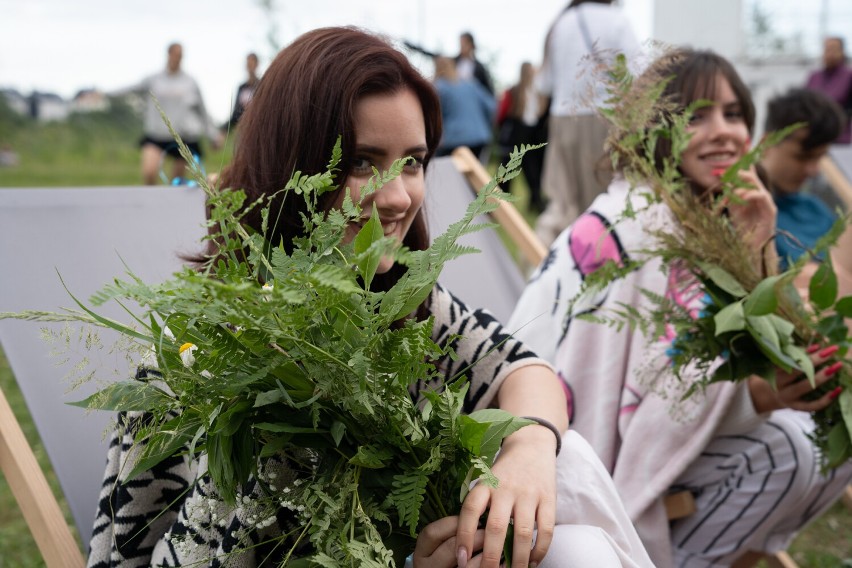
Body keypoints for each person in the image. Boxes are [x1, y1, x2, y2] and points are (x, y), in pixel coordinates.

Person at [86, 27, 654, 568]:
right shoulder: (195, 360)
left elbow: (521, 369)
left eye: (413, 163)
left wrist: (528, 448)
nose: (398, 196)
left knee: (566, 463)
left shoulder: (401, 306)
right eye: (362, 163)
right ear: (292, 168)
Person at [508, 48, 852, 567]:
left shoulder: (695, 218)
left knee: (832, 434)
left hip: (663, 438)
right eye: (697, 115)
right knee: (784, 450)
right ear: (657, 128)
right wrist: (757, 394)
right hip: (563, 456)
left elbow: (760, 343)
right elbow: (648, 404)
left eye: (734, 114)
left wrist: (759, 236)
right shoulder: (641, 225)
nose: (725, 131)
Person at [534, 0, 641, 246]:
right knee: (607, 203)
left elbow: (544, 84)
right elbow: (638, 73)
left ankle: (538, 265)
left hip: (562, 119)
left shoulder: (560, 22)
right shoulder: (616, 19)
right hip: (606, 119)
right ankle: (603, 264)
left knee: (562, 205)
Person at [111, 42, 223, 185]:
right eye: (175, 54)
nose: (178, 58)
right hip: (156, 136)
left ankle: (171, 205)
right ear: (168, 54)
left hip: (183, 138)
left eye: (180, 56)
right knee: (149, 173)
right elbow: (131, 88)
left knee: (175, 183)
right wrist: (104, 93)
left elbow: (202, 110)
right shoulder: (154, 79)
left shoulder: (190, 82)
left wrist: (213, 135)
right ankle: (151, 203)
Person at [761, 88, 846, 268]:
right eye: (803, 157)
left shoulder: (815, 210)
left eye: (819, 157)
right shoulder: (739, 214)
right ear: (766, 143)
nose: (813, 170)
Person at [495, 62, 548, 212]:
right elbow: (503, 113)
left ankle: (535, 200)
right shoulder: (514, 91)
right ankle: (501, 203)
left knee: (532, 170)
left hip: (532, 134)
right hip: (518, 134)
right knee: (508, 169)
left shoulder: (538, 91)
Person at [433, 56, 496, 159]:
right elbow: (491, 106)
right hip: (479, 136)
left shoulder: (439, 87)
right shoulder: (471, 84)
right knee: (474, 172)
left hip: (453, 139)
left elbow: (434, 116)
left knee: (449, 172)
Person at [805, 36, 852, 144]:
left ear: (842, 52)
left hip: (840, 139)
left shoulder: (848, 76)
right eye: (827, 49)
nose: (830, 53)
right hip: (814, 139)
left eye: (834, 49)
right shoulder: (814, 76)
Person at [223, 52, 261, 132]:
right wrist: (224, 129)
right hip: (243, 130)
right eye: (248, 64)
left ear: (257, 65)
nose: (250, 67)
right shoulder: (241, 88)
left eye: (252, 63)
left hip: (258, 128)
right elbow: (236, 113)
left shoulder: (261, 86)